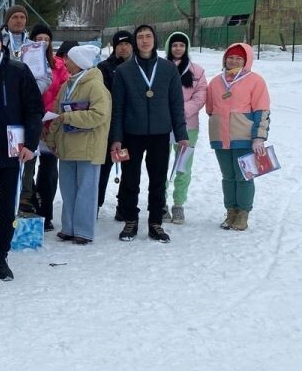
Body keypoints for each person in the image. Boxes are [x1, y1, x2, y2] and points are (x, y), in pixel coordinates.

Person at [0, 22, 44, 281]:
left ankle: (1, 257)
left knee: (7, 209)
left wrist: (31, 144)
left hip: (13, 152)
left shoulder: (18, 71)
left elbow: (35, 110)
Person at [110, 24, 188, 243]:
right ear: (136, 41)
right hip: (130, 134)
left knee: (158, 180)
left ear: (155, 40)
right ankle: (130, 221)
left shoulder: (167, 69)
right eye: (141, 37)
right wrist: (116, 138)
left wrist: (181, 134)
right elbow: (117, 108)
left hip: (160, 134)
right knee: (129, 179)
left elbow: (176, 104)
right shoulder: (124, 70)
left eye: (148, 37)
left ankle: (156, 222)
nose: (144, 41)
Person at [45, 45, 111, 245]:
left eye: (70, 59)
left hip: (88, 147)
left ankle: (83, 230)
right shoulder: (67, 85)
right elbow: (57, 114)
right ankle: (69, 227)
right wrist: (52, 139)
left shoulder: (95, 86)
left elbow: (99, 115)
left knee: (86, 190)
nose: (65, 62)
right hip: (67, 146)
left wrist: (69, 117)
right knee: (67, 189)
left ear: (80, 62)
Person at [205, 43, 270, 231]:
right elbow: (210, 108)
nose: (233, 61)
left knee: (244, 176)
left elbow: (262, 110)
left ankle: (243, 213)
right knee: (228, 177)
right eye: (230, 57)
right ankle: (231, 211)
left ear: (246, 61)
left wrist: (259, 137)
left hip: (244, 136)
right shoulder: (216, 82)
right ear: (225, 58)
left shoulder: (255, 81)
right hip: (220, 137)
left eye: (239, 58)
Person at [19, 23, 68, 229]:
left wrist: (52, 114)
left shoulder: (58, 65)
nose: (42, 42)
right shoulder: (22, 63)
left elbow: (63, 91)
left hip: (50, 121)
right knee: (27, 165)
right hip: (29, 122)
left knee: (48, 170)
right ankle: (26, 203)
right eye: (38, 39)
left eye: (46, 39)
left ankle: (45, 210)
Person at [164, 31, 207, 223]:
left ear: (186, 47)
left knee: (183, 166)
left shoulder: (197, 71)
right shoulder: (161, 68)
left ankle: (178, 204)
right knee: (161, 165)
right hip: (163, 126)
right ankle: (161, 203)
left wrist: (179, 113)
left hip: (188, 126)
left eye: (182, 45)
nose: (178, 48)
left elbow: (200, 97)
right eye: (174, 45)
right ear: (169, 48)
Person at [97, 30, 134, 219]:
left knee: (129, 168)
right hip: (110, 128)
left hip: (132, 127)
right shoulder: (104, 67)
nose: (124, 47)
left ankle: (124, 206)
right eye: (120, 44)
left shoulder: (138, 66)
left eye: (127, 43)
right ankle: (95, 203)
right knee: (103, 167)